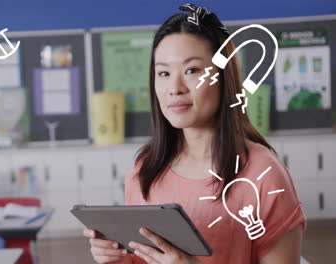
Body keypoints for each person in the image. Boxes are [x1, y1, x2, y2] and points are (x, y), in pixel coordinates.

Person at [83, 4, 306, 264]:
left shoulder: (263, 173)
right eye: (163, 73)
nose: (174, 88)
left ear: (224, 77)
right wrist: (115, 257)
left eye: (192, 70)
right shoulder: (145, 168)